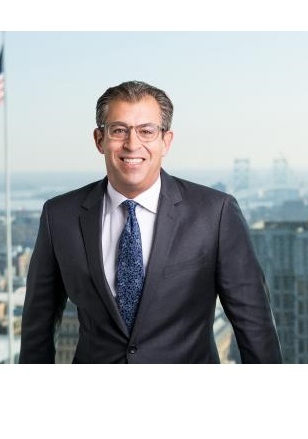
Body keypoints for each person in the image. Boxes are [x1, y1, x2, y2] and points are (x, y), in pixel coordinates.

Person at [19, 80, 282, 364]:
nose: (133, 144)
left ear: (166, 141)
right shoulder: (60, 216)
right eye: (119, 130)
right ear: (99, 139)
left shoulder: (215, 213)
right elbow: (38, 327)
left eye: (146, 131)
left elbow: (254, 326)